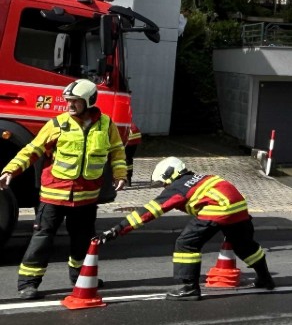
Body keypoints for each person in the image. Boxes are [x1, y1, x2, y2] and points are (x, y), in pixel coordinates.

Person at [0, 79, 127, 300]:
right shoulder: (57, 124)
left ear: (89, 101)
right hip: (54, 196)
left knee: (82, 241)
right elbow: (33, 149)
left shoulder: (106, 125)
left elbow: (117, 152)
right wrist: (11, 170)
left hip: (86, 198)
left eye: (75, 101)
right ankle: (28, 283)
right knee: (42, 239)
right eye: (68, 100)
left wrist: (120, 174)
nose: (69, 105)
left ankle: (80, 277)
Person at [97, 156, 274, 300]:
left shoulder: (178, 187)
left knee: (186, 244)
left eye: (164, 183)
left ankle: (190, 288)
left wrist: (117, 229)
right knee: (244, 245)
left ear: (169, 175)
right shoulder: (203, 177)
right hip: (239, 208)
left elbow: (149, 211)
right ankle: (265, 278)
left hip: (218, 209)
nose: (165, 187)